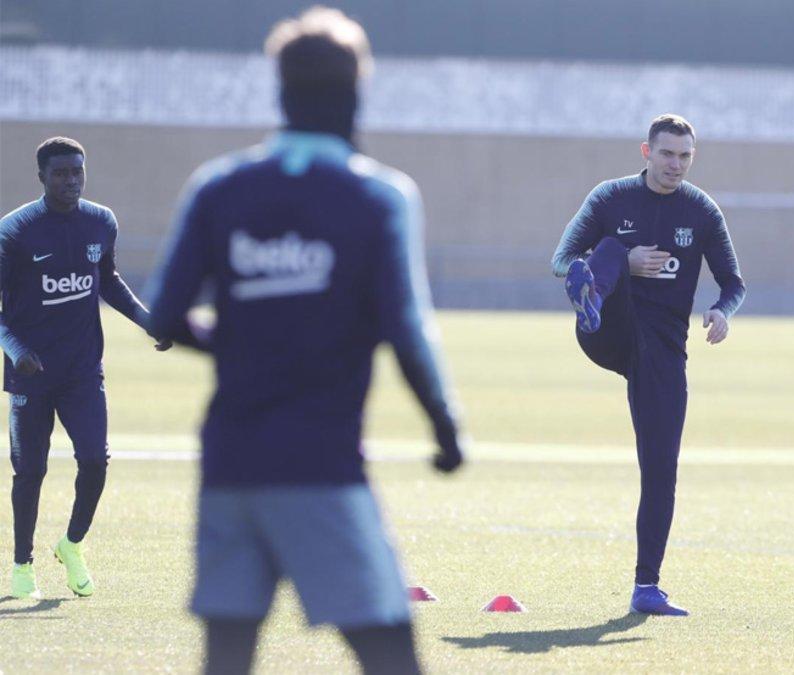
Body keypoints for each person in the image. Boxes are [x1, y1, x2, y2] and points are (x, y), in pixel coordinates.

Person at [146, 7, 465, 674]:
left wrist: (241, 342)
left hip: (230, 463)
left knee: (227, 656)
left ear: (281, 88)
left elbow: (166, 317)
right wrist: (445, 428)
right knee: (390, 653)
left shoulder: (218, 187)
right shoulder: (379, 195)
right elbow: (406, 328)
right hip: (319, 466)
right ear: (357, 88)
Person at [551, 114, 746, 616]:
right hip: (608, 330)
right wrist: (620, 265)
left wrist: (722, 312)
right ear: (646, 152)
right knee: (611, 248)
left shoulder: (701, 211)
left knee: (660, 467)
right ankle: (590, 293)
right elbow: (561, 256)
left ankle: (646, 587)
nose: (675, 164)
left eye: (684, 156)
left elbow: (734, 283)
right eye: (666, 154)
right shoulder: (610, 197)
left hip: (662, 351)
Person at [1, 137, 171, 600]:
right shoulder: (14, 232)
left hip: (82, 372)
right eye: (60, 173)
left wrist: (149, 321)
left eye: (77, 171)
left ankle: (71, 544)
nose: (71, 181)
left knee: (95, 461)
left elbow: (109, 281)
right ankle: (22, 566)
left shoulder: (100, 222)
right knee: (30, 472)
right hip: (29, 376)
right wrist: (16, 350)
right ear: (41, 177)